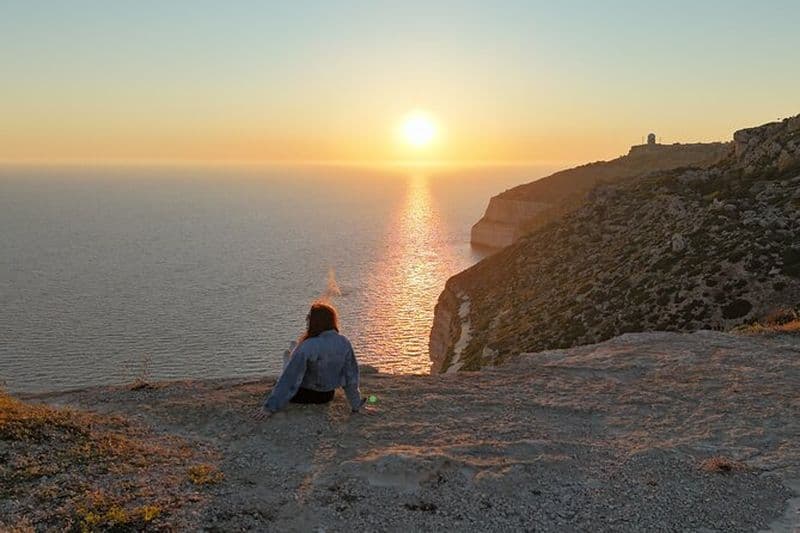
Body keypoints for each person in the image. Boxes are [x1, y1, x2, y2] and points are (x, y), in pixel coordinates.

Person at [253, 302, 365, 420]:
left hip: (305, 396)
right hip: (327, 396)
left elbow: (290, 378)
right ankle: (290, 354)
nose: (306, 320)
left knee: (289, 366)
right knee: (295, 353)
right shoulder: (344, 342)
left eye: (308, 317)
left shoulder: (309, 345)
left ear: (316, 322)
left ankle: (288, 357)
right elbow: (351, 375)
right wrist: (355, 404)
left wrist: (269, 407)